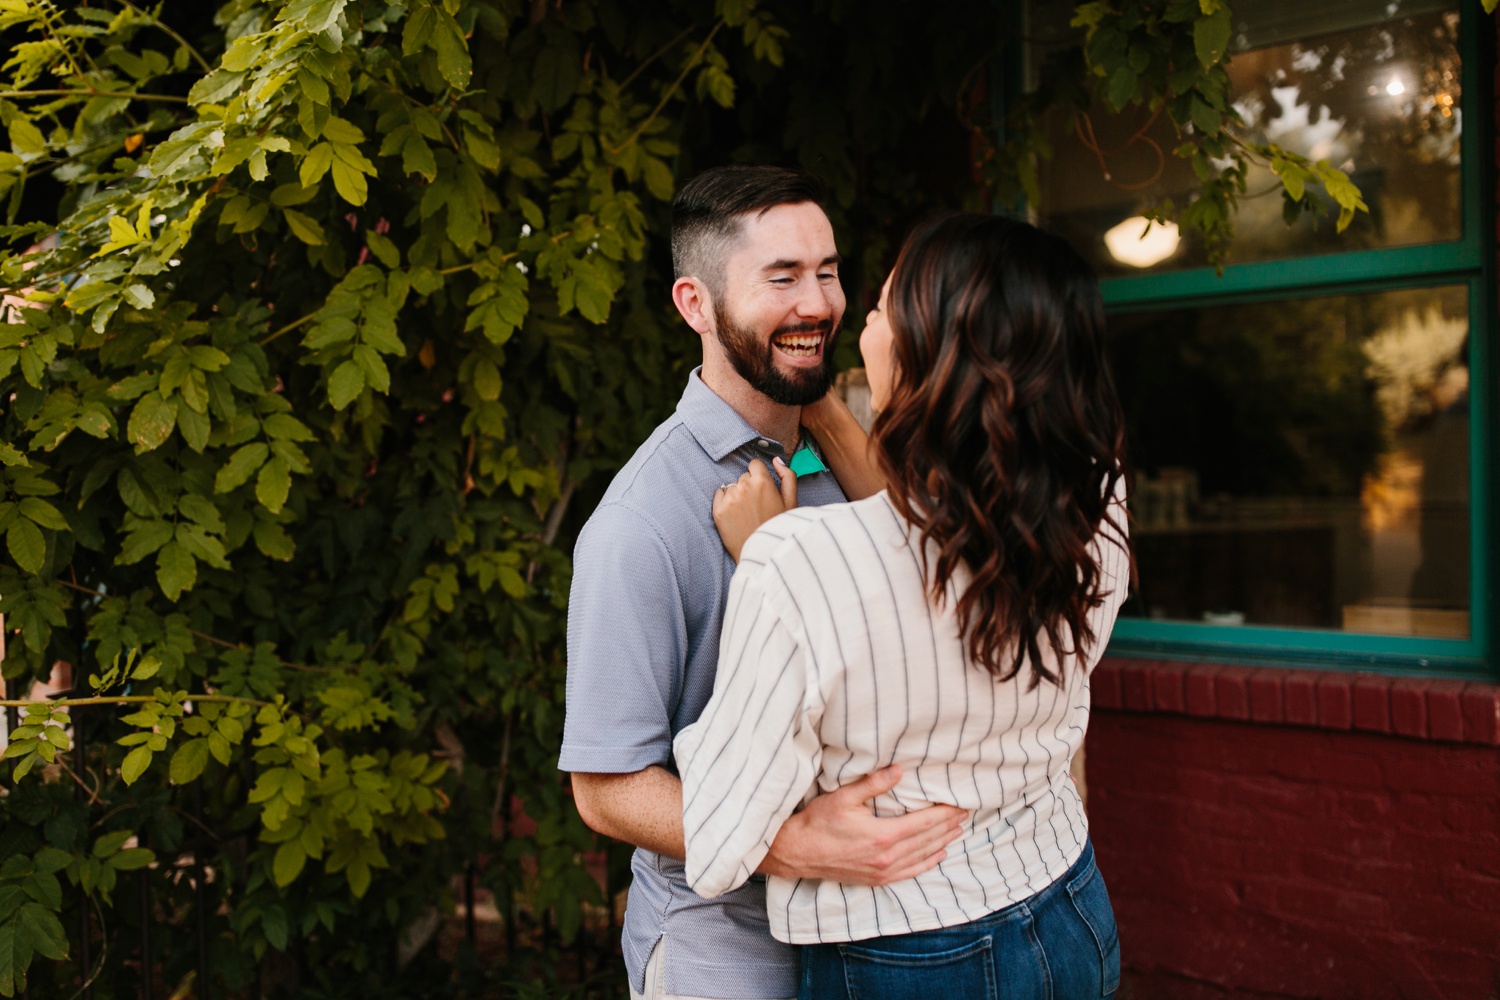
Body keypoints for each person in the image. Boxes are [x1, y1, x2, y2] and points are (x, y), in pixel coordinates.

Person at [676, 213, 1133, 999]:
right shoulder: (1096, 501)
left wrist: (765, 561)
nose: (850, 321)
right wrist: (817, 407)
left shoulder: (798, 563)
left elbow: (719, 841)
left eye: (882, 310)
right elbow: (941, 536)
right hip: (1070, 907)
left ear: (926, 353)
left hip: (910, 955)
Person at [559, 165, 965, 1000]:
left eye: (827, 271)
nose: (816, 303)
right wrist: (793, 844)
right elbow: (605, 789)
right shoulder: (640, 524)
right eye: (781, 278)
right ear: (695, 306)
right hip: (730, 953)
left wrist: (816, 407)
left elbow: (935, 568)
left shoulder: (838, 459)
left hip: (870, 937)